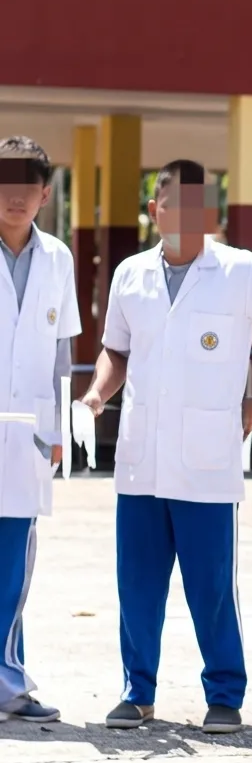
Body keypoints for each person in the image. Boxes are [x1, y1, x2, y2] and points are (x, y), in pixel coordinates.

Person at [80, 159, 252, 734]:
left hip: (207, 458)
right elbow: (116, 349)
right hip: (141, 459)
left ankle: (224, 694)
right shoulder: (129, 275)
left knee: (211, 586)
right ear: (154, 212)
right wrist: (95, 395)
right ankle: (137, 693)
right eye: (174, 206)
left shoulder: (242, 271)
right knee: (137, 584)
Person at [0, 137, 81, 724]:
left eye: (27, 187)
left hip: (29, 432)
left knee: (14, 562)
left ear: (45, 195)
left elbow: (61, 350)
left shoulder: (57, 258)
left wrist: (59, 426)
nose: (15, 197)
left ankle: (10, 685)